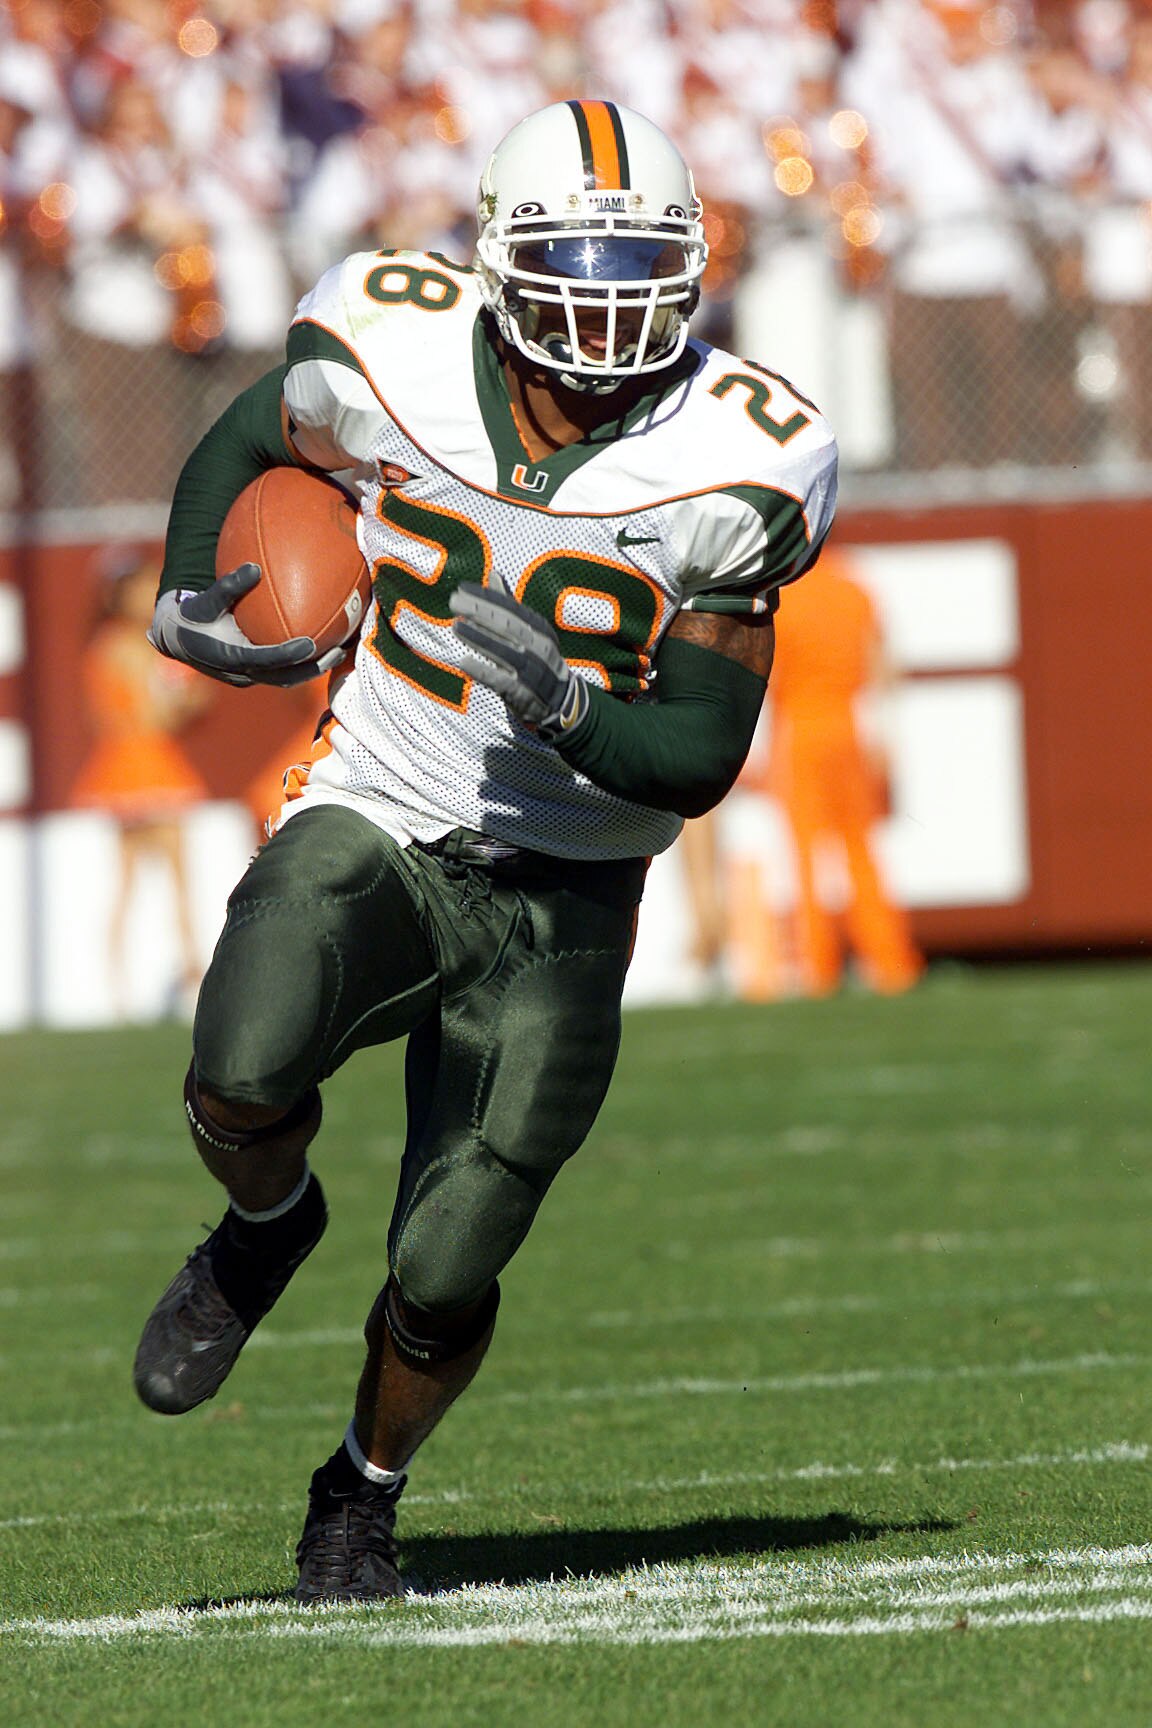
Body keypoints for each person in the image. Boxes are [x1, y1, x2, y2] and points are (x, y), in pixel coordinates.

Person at [132, 98, 838, 1604]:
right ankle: (267, 1226)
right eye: (575, 258)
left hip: (569, 884)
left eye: (638, 260)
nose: (605, 296)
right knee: (237, 1072)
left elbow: (702, 755)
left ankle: (359, 1498)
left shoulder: (739, 456)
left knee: (450, 1258)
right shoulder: (383, 342)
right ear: (497, 254)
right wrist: (193, 583)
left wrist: (571, 703)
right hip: (380, 804)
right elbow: (261, 429)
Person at [763, 546, 922, 997]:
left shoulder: (784, 595)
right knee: (861, 851)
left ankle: (819, 968)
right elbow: (883, 667)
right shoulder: (854, 587)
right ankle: (892, 962)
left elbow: (769, 676)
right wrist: (886, 735)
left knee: (804, 858)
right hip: (850, 727)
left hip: (798, 730)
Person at [72, 546, 212, 1017]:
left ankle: (116, 987)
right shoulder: (133, 647)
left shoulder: (101, 647)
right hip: (151, 766)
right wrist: (188, 695)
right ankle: (194, 977)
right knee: (177, 879)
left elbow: (104, 718)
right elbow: (156, 716)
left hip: (118, 770)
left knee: (127, 881)